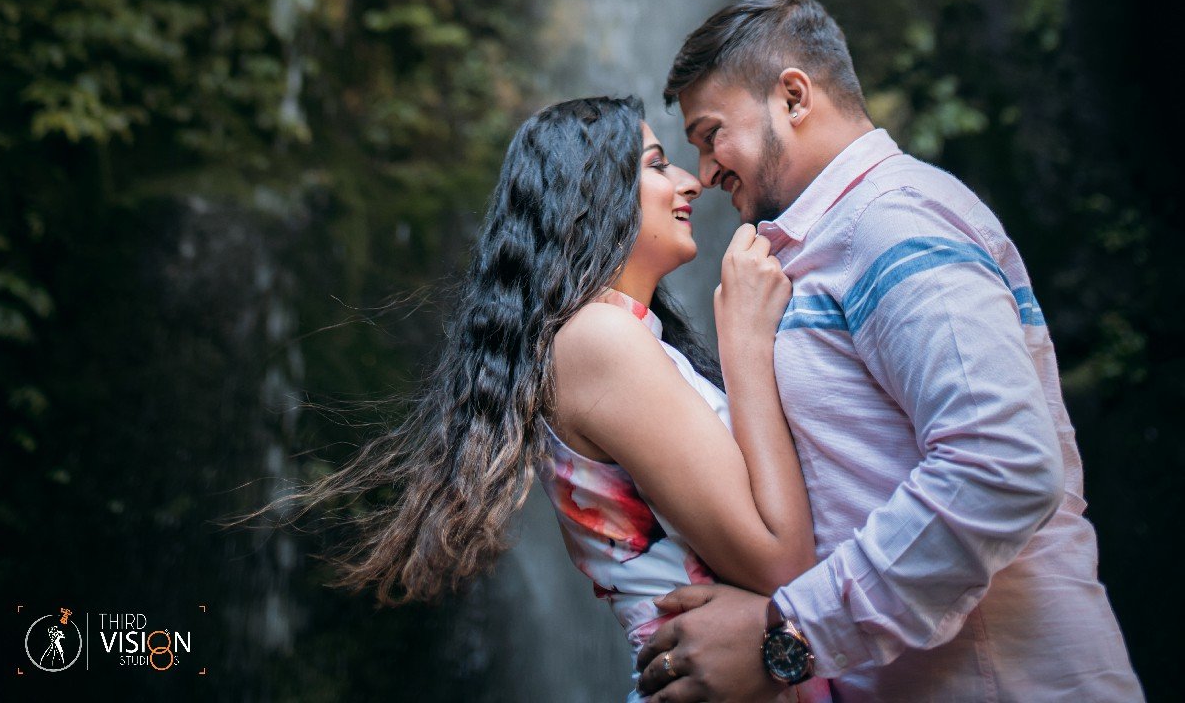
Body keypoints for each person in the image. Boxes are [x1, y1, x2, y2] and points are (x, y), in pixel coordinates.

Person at [636, 0, 1144, 703]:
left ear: (791, 97)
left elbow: (1000, 465)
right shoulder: (826, 245)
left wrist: (789, 637)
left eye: (711, 132)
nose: (707, 171)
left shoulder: (890, 222)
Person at [286, 94, 827, 703]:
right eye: (655, 164)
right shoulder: (600, 339)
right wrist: (748, 341)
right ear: (590, 197)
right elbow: (785, 570)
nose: (689, 181)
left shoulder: (623, 337)